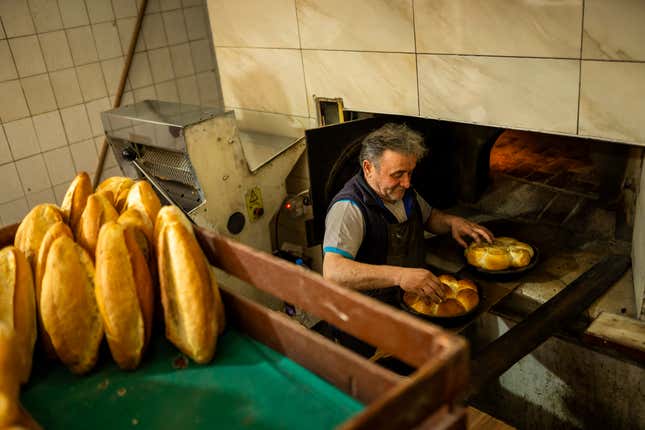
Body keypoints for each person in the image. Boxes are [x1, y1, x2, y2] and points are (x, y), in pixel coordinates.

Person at [322, 122, 494, 307]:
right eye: (397, 174)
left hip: (411, 302)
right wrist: (400, 276)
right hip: (370, 314)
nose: (406, 183)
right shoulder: (349, 208)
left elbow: (429, 218)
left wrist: (452, 222)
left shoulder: (401, 191)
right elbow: (334, 272)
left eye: (410, 173)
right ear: (369, 168)